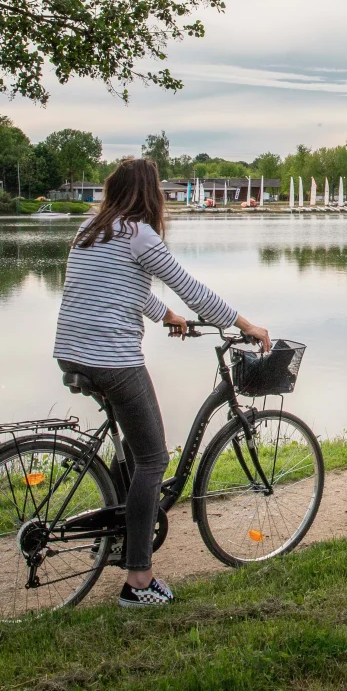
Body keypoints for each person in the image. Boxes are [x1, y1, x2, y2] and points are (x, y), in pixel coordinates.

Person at [54, 158, 270, 607]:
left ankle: (115, 538)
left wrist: (164, 315)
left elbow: (123, 287)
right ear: (149, 195)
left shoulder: (91, 229)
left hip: (72, 352)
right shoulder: (140, 233)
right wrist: (245, 323)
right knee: (154, 459)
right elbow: (191, 288)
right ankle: (139, 581)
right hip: (112, 360)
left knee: (132, 451)